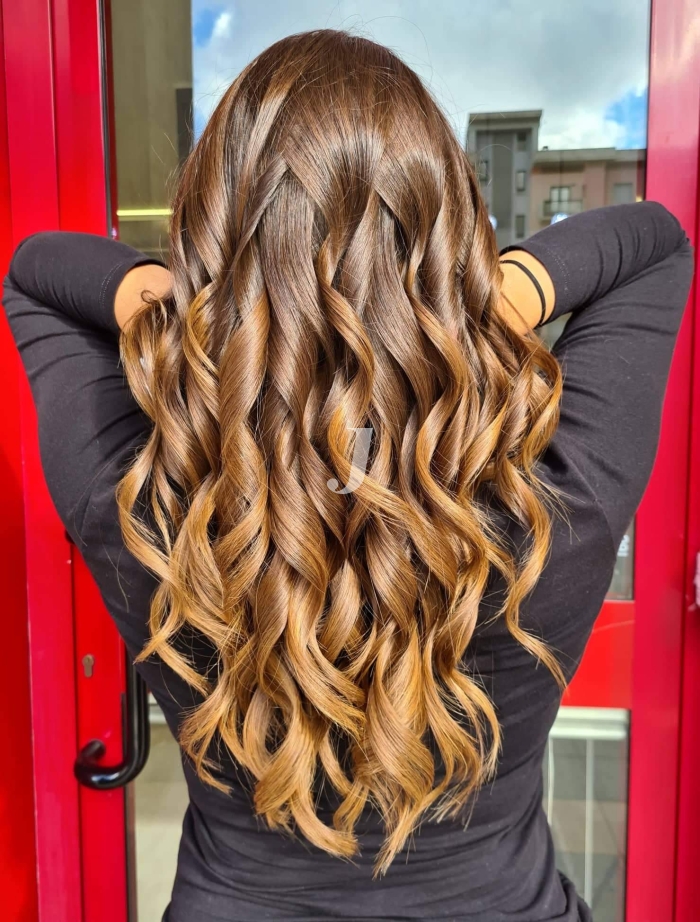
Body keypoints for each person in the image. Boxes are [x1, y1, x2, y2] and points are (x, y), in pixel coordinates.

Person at [2, 28, 694, 922]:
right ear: (449, 239)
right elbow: (652, 242)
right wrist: (472, 304)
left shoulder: (136, 500)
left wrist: (219, 313)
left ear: (209, 242)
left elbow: (38, 270)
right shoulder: (559, 502)